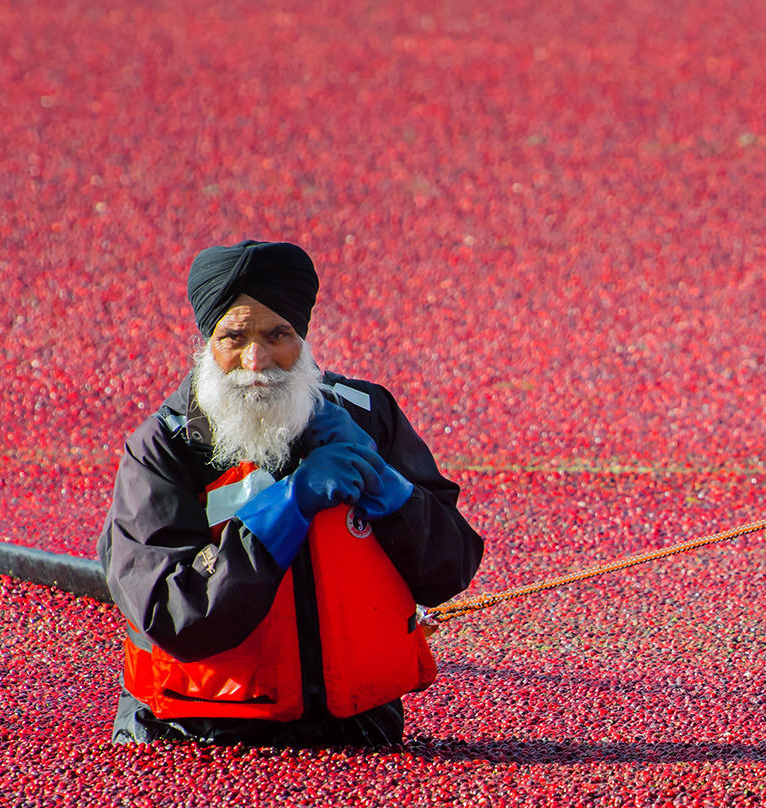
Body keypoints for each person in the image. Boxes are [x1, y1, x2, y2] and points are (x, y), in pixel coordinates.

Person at [99, 239, 484, 747]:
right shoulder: (164, 447)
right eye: (233, 337)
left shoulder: (368, 415)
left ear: (302, 338)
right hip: (196, 735)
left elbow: (449, 570)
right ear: (206, 344)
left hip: (358, 730)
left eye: (277, 334)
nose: (256, 360)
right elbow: (174, 615)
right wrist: (288, 507)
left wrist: (392, 493)